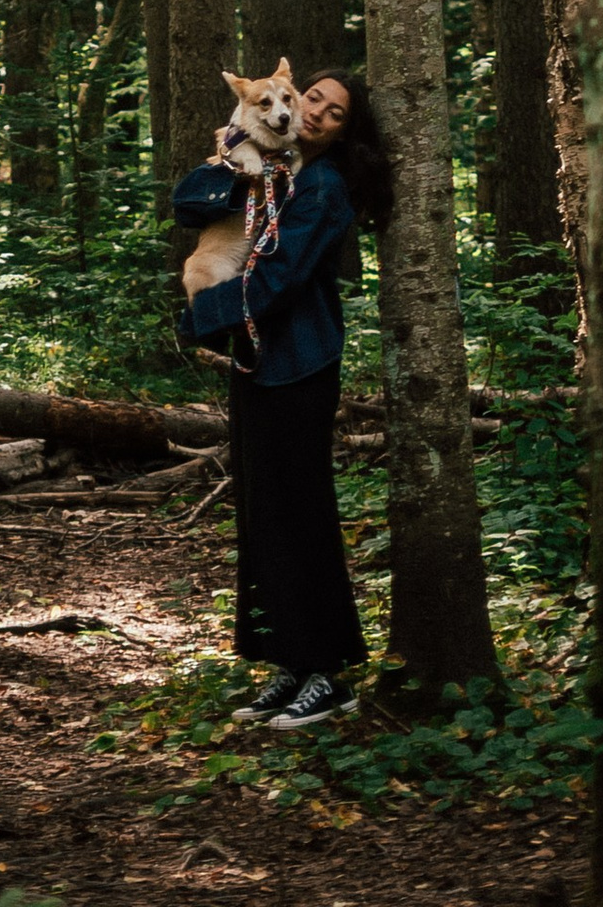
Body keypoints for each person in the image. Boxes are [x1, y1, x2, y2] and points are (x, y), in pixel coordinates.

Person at [170, 68, 391, 731]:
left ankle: (328, 673)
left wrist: (200, 319)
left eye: (333, 111)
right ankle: (290, 665)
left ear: (345, 130)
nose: (315, 112)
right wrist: (229, 151)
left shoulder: (323, 186)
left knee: (302, 517)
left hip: (300, 365)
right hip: (260, 363)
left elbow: (281, 279)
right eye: (312, 97)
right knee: (265, 519)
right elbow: (190, 206)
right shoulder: (275, 168)